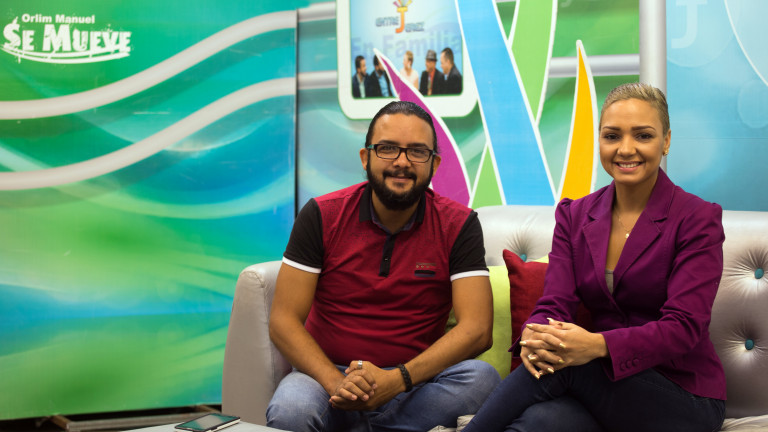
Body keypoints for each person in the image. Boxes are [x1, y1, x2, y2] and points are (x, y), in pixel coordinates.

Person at [462, 83, 726, 432]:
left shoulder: (697, 218)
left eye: (643, 135)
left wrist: (597, 345)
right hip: (605, 386)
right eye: (612, 136)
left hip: (682, 394)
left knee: (566, 362)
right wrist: (534, 336)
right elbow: (554, 304)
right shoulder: (574, 215)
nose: (625, 149)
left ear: (666, 141)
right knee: (537, 422)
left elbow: (683, 327)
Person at [266, 101, 500, 432]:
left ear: (434, 164)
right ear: (366, 157)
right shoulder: (322, 214)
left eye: (417, 152)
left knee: (482, 379)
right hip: (326, 377)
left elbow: (477, 329)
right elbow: (283, 321)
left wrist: (396, 380)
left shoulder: (458, 224)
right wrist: (338, 384)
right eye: (388, 148)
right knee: (292, 410)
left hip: (414, 383)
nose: (402, 162)